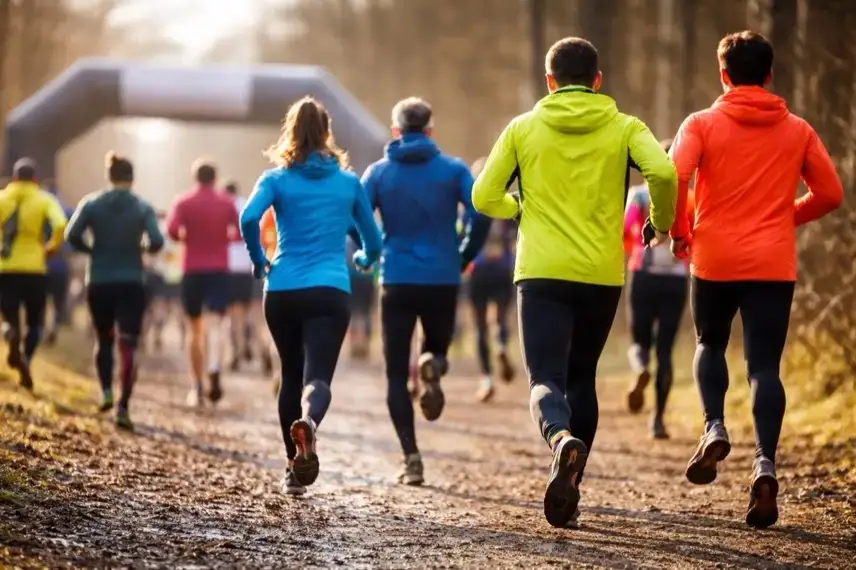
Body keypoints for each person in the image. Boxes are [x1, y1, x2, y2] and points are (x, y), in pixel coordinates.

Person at [473, 37, 677, 528]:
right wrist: (661, 224)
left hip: (541, 271)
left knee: (546, 378)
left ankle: (560, 439)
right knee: (582, 376)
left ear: (550, 81)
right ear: (597, 80)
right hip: (600, 274)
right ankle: (571, 487)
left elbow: (483, 196)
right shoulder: (626, 126)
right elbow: (664, 172)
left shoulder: (523, 128)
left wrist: (517, 208)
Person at [669, 31, 843, 529]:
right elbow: (830, 193)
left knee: (709, 343)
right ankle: (765, 463)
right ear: (769, 75)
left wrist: (683, 231)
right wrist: (782, 216)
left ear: (723, 74)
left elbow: (676, 175)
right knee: (764, 366)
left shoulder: (700, 123)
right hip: (772, 261)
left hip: (714, 257)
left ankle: (714, 426)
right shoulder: (798, 129)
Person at [240, 96, 381, 495]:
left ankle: (292, 468)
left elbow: (249, 217)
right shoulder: (348, 183)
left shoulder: (275, 180)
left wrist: (258, 259)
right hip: (330, 290)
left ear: (290, 132)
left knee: (289, 373)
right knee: (316, 376)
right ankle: (311, 423)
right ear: (326, 133)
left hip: (282, 288)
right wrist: (364, 258)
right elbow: (373, 239)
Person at [361, 97, 490, 485]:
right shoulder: (452, 170)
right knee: (438, 346)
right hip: (442, 277)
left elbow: (359, 218)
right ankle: (433, 361)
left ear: (396, 131)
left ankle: (411, 459)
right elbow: (480, 211)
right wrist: (465, 252)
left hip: (396, 278)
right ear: (430, 131)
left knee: (396, 374)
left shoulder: (379, 173)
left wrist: (373, 251)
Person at [65, 152, 164, 430]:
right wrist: (141, 249)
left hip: (99, 280)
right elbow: (157, 240)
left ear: (110, 177)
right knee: (128, 342)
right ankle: (123, 405)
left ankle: (106, 390)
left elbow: (71, 235)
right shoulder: (142, 206)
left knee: (103, 338)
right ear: (132, 179)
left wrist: (92, 250)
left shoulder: (92, 203)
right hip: (132, 281)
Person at [623, 139, 691, 439]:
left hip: (644, 276)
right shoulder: (688, 198)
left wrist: (634, 253)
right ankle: (658, 419)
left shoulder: (637, 196)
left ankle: (640, 368)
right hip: (676, 278)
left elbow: (625, 234)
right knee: (665, 350)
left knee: (640, 340)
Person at [166, 159, 239, 407]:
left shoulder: (183, 202)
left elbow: (172, 231)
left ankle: (196, 388)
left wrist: (188, 237)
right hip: (219, 269)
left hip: (192, 270)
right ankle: (215, 366)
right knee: (216, 324)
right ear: (215, 178)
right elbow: (239, 232)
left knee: (194, 330)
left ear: (195, 177)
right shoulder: (226, 203)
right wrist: (223, 238)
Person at [0, 158, 69, 390]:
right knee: (35, 321)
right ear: (36, 179)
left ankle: (9, 332)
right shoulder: (44, 199)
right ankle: (27, 358)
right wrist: (51, 247)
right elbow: (60, 224)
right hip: (35, 267)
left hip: (5, 268)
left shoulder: (3, 197)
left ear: (14, 178)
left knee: (9, 315)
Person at [466, 158, 517, 403]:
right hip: (502, 269)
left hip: (478, 271)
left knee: (479, 327)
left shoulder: (470, 204)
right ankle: (501, 346)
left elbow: (461, 234)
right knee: (500, 318)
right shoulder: (505, 203)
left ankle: (486, 379)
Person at [224, 181, 258, 371]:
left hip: (228, 267)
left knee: (232, 314)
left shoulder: (222, 207)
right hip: (248, 265)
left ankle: (236, 350)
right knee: (250, 312)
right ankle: (257, 346)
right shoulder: (247, 203)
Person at [41, 179, 74, 345]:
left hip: (40, 262)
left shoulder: (40, 207)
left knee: (40, 299)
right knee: (57, 300)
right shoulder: (67, 210)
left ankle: (41, 328)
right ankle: (53, 326)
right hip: (61, 264)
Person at [346, 233, 376, 360]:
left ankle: (353, 346)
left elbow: (346, 259)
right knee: (366, 312)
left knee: (352, 313)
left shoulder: (347, 237)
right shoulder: (369, 233)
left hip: (352, 278)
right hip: (367, 278)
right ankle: (365, 346)